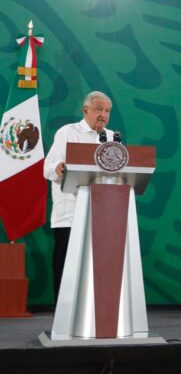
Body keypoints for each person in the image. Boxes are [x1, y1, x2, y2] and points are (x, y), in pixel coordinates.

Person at [43, 91, 113, 300]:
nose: (103, 115)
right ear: (85, 110)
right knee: (66, 266)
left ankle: (94, 315)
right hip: (70, 214)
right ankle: (63, 318)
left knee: (97, 268)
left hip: (101, 215)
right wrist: (59, 168)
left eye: (107, 111)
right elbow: (47, 167)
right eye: (99, 109)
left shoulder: (110, 138)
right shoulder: (67, 132)